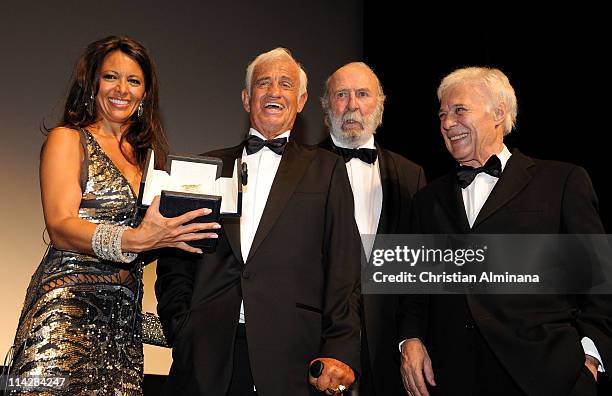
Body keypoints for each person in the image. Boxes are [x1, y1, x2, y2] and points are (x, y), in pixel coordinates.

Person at [6, 35, 218, 395]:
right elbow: (60, 226)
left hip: (122, 331)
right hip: (64, 317)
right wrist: (135, 239)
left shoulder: (150, 160)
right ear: (92, 85)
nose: (122, 89)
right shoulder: (68, 139)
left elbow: (153, 244)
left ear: (145, 94)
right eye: (110, 77)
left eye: (133, 81)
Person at [155, 48, 362, 395]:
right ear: (246, 98)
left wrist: (339, 349)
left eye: (285, 84)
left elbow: (344, 269)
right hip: (207, 353)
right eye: (263, 84)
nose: (274, 92)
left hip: (292, 355)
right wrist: (183, 327)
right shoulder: (206, 168)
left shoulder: (326, 170)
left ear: (301, 100)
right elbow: (175, 260)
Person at [399, 67, 612, 396]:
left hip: (546, 377)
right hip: (452, 377)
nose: (446, 123)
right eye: (441, 114)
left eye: (459, 110)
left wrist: (590, 359)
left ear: (498, 113)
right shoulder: (427, 199)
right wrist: (410, 338)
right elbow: (415, 288)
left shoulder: (561, 181)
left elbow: (600, 280)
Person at [319, 62, 425, 395]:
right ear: (326, 105)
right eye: (341, 95)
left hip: (389, 352)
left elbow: (418, 269)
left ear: (379, 103)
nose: (352, 104)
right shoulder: (302, 170)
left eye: (362, 94)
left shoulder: (412, 175)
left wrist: (411, 336)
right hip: (319, 346)